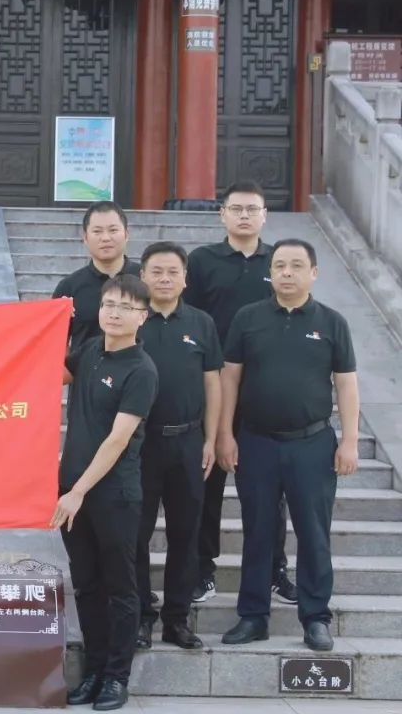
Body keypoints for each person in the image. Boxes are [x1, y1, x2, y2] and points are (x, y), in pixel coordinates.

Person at [218, 239, 359, 652]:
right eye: (280, 265)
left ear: (313, 273)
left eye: (297, 265)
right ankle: (253, 615)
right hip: (256, 441)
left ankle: (316, 618)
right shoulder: (248, 318)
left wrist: (350, 440)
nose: (287, 272)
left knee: (314, 533)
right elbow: (229, 378)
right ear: (271, 272)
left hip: (312, 444)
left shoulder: (332, 322)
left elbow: (346, 384)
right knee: (257, 531)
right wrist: (225, 433)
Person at [184, 180, 296, 605]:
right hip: (210, 386)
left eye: (253, 209)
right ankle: (202, 568)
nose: (245, 215)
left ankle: (275, 569)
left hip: (263, 390)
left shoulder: (279, 260)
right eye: (237, 209)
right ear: (223, 214)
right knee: (206, 484)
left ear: (265, 215)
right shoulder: (202, 261)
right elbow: (190, 317)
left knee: (270, 489)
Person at [51, 274, 158, 711]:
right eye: (109, 304)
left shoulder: (141, 370)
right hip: (72, 489)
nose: (114, 313)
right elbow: (52, 374)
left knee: (120, 588)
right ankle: (94, 671)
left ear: (142, 317)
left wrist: (77, 491)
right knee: (86, 585)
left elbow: (117, 440)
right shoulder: (91, 351)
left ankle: (117, 677)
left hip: (113, 494)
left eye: (126, 307)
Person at [134, 242, 222, 652]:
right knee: (136, 535)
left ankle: (177, 619)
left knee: (185, 535)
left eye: (173, 272)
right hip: (140, 445)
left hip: (188, 443)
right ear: (143, 276)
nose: (165, 279)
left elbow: (212, 383)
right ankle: (141, 617)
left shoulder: (202, 323)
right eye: (157, 271)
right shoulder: (131, 320)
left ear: (185, 279)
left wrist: (211, 438)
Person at [52, 201, 141, 352]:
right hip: (85, 366)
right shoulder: (69, 287)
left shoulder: (145, 279)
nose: (105, 238)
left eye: (113, 230)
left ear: (126, 234)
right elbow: (55, 343)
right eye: (97, 231)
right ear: (85, 238)